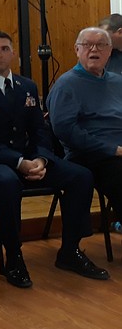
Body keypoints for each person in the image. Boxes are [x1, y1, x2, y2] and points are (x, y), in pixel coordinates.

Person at [0, 30, 108, 289]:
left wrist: (42, 158)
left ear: (13, 54)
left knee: (80, 176)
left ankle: (70, 251)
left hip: (28, 159)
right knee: (7, 182)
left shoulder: (27, 87)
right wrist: (19, 162)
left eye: (5, 48)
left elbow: (40, 130)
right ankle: (13, 257)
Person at [47, 26, 122, 231]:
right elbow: (65, 130)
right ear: (77, 50)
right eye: (87, 45)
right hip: (91, 156)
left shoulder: (117, 81)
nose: (94, 49)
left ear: (109, 51)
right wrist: (113, 150)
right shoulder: (66, 85)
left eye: (100, 45)